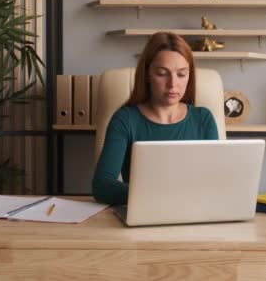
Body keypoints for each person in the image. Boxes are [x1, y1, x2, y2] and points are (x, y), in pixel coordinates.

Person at [92, 32, 219, 205]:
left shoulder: (203, 119)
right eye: (162, 73)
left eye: (181, 74)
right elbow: (102, 186)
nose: (173, 84)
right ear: (146, 74)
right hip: (144, 215)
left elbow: (215, 182)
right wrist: (162, 197)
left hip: (194, 216)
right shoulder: (125, 119)